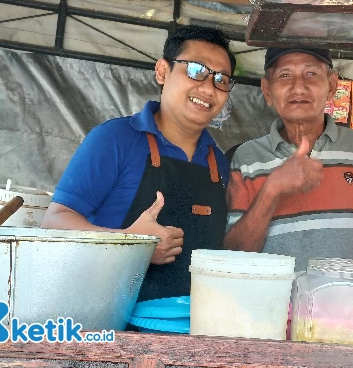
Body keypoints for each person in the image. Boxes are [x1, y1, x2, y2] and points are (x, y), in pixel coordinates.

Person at [41, 25, 236, 302]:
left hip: (189, 328)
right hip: (107, 320)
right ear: (162, 71)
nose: (208, 88)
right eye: (196, 70)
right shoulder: (115, 139)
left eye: (221, 79)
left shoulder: (218, 162)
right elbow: (54, 222)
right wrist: (131, 244)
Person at [224, 47, 353, 271]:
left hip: (350, 305)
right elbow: (233, 257)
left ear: (332, 86)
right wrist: (272, 189)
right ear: (267, 90)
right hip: (272, 305)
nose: (298, 87)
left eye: (311, 74)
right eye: (285, 75)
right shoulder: (247, 158)